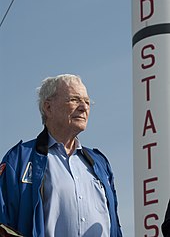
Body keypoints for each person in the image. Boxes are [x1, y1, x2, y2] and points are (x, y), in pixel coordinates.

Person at [0, 74, 122, 237]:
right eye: (74, 100)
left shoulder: (100, 164)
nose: (83, 107)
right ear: (48, 107)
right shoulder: (19, 160)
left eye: (87, 102)